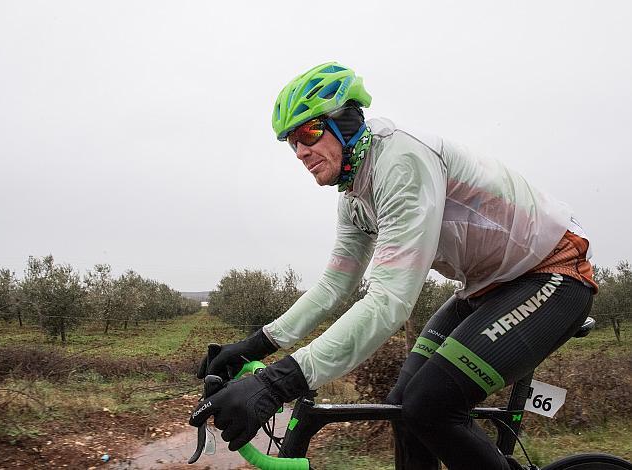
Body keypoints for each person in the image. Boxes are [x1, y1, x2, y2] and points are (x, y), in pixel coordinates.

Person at [191, 62, 597, 470]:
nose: (300, 152)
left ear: (345, 122)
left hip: (551, 273)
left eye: (308, 133)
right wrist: (255, 344)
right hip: (485, 286)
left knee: (429, 408)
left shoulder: (401, 161)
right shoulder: (353, 195)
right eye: (291, 142)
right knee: (403, 408)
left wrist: (277, 383)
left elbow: (389, 300)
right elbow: (335, 285)